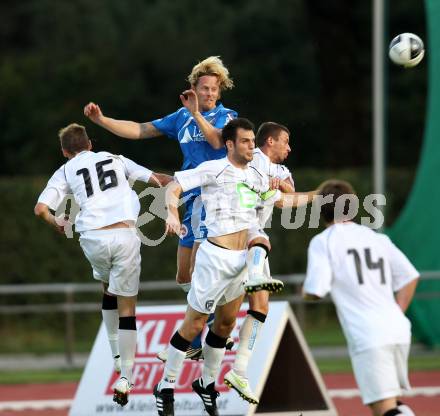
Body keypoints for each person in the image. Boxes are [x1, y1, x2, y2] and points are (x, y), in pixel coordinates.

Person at [154, 118, 314, 416]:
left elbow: (280, 200)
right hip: (215, 258)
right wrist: (173, 215)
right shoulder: (213, 168)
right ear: (230, 144)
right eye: (245, 142)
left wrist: (319, 195)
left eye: (253, 142)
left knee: (225, 325)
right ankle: (165, 386)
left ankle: (207, 383)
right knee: (195, 325)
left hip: (242, 260)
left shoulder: (256, 176)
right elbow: (174, 187)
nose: (251, 146)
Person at [84, 56, 237, 356]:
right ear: (193, 89)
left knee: (200, 267)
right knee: (183, 276)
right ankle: (205, 326)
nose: (208, 94)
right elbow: (140, 129)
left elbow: (219, 143)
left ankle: (207, 331)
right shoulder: (181, 116)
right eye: (203, 88)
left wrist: (196, 115)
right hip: (189, 197)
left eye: (213, 89)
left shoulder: (227, 116)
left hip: (217, 198)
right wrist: (102, 121)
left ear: (219, 92)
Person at [34, 123, 171, 407]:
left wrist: (56, 221)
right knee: (127, 306)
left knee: (109, 287)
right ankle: (127, 376)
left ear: (65, 151)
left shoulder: (65, 170)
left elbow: (40, 209)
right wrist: (188, 182)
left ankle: (118, 359)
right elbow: (155, 179)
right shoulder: (116, 159)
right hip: (124, 234)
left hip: (92, 238)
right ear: (90, 144)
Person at [302, 180, 419, 416]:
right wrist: (398, 310)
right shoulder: (377, 238)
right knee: (393, 404)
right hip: (397, 328)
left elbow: (315, 290)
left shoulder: (323, 242)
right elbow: (409, 277)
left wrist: (303, 293)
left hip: (369, 335)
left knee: (385, 409)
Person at [224, 122, 317, 404]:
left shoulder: (281, 171)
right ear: (269, 141)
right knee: (260, 241)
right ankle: (190, 347)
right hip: (234, 233)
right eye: (285, 141)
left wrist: (309, 193)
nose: (289, 147)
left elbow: (286, 196)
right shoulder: (250, 159)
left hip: (251, 238)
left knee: (260, 307)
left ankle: (238, 369)